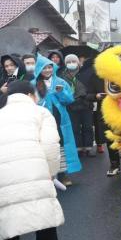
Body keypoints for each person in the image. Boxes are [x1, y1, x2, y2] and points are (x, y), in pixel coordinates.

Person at [0, 80, 70, 240]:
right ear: (30, 94)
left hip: (3, 176)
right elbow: (50, 146)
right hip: (35, 171)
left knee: (7, 222)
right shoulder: (40, 113)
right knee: (43, 219)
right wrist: (50, 172)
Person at [33, 54, 81, 184]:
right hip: (42, 120)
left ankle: (63, 174)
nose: (48, 70)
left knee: (61, 144)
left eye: (50, 67)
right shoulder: (33, 84)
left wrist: (61, 92)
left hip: (60, 120)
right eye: (44, 68)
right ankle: (47, 175)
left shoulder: (61, 82)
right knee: (45, 145)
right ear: (39, 69)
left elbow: (69, 100)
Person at [60, 54, 95, 157]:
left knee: (87, 127)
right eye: (69, 62)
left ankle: (88, 147)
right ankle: (78, 148)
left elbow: (91, 87)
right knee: (75, 128)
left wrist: (85, 95)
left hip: (86, 104)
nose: (71, 64)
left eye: (73, 61)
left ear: (78, 62)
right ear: (65, 64)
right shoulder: (62, 76)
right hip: (71, 105)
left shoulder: (85, 73)